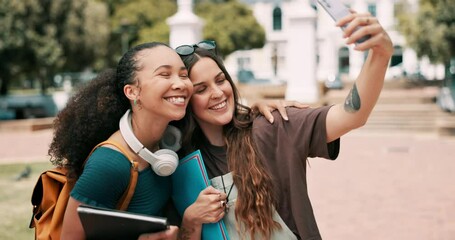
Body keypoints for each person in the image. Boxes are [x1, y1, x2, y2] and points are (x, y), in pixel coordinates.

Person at [174, 11, 393, 240]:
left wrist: (379, 55)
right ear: (186, 100)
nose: (218, 93)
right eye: (201, 89)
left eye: (221, 80)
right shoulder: (177, 162)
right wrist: (191, 219)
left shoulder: (271, 125)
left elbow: (352, 115)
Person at [48, 41, 300, 240]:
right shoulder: (110, 163)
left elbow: (216, 105)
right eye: (164, 75)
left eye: (182, 75)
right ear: (132, 91)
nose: (179, 84)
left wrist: (251, 111)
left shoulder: (170, 143)